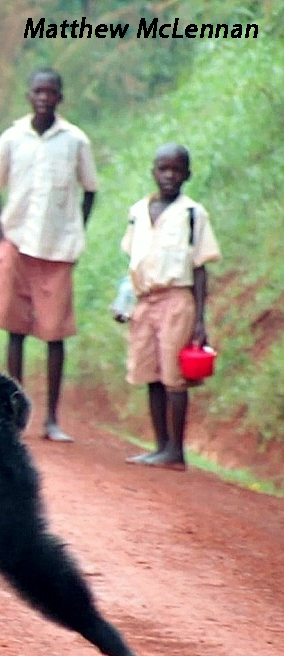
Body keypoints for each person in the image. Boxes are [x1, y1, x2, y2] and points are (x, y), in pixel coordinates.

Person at [0, 67, 98, 443]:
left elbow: (90, 190)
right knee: (16, 331)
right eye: (38, 91)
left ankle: (51, 419)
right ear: (29, 95)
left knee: (54, 334)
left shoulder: (76, 141)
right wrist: (0, 240)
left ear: (60, 98)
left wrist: (74, 230)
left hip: (57, 251)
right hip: (17, 244)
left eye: (51, 92)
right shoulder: (12, 139)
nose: (44, 97)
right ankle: (16, 416)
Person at [121, 143, 221, 470]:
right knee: (150, 372)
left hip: (178, 299)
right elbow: (133, 261)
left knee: (173, 376)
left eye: (176, 170)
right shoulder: (138, 212)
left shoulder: (193, 215)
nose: (169, 176)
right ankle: (160, 445)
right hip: (145, 299)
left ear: (187, 175)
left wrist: (200, 320)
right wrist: (125, 300)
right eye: (163, 169)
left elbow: (199, 268)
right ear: (153, 171)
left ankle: (176, 450)